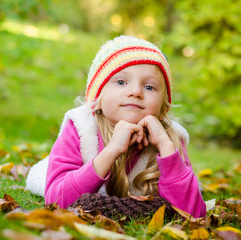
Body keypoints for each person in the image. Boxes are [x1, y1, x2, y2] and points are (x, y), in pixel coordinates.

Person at [26, 35, 206, 218]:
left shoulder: (169, 138)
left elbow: (194, 214)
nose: (136, 92)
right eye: (121, 82)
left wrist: (166, 147)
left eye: (149, 87)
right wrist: (111, 150)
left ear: (164, 107)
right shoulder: (81, 128)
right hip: (69, 173)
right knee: (39, 177)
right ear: (98, 97)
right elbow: (57, 201)